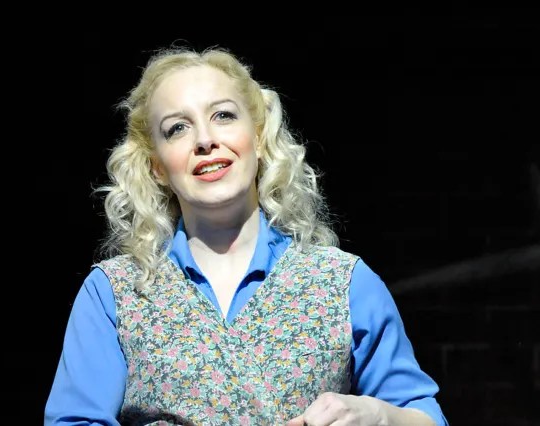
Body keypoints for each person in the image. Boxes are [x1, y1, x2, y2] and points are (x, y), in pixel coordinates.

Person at [44, 45, 449, 426]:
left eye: (223, 115)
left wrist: (377, 414)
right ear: (157, 167)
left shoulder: (343, 282)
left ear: (258, 137)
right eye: (177, 128)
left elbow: (424, 415)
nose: (205, 140)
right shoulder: (115, 292)